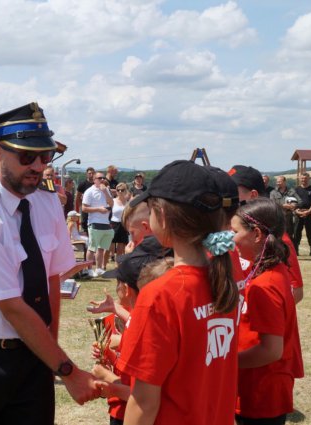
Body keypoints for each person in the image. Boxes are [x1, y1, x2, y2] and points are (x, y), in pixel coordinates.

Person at [0, 102, 101, 425]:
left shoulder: (46, 202)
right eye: (26, 157)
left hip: (34, 349)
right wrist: (67, 370)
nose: (38, 166)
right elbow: (11, 306)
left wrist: (50, 354)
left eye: (46, 156)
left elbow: (51, 280)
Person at [118, 160, 239, 425]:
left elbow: (144, 403)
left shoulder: (161, 294)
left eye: (149, 210)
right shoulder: (222, 281)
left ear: (161, 215)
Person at [231, 198, 304, 425]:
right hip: (258, 384)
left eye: (234, 232)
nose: (231, 239)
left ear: (256, 234)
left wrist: (227, 363)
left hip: (260, 390)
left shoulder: (265, 284)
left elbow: (271, 350)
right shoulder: (272, 269)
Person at [88, 257, 173, 425]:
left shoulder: (144, 329)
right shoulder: (151, 321)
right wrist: (110, 355)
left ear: (126, 288)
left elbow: (142, 394)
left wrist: (106, 378)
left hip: (132, 413)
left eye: (117, 282)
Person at [229, 164, 305, 303]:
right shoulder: (232, 230)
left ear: (252, 195)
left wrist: (257, 308)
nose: (226, 196)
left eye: (232, 191)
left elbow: (296, 291)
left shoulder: (276, 237)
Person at [82, 171, 115, 277]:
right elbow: (84, 208)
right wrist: (98, 209)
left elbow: (111, 203)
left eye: (103, 178)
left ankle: (99, 268)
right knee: (92, 248)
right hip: (94, 222)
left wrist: (105, 192)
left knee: (101, 248)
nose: (102, 180)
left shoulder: (106, 190)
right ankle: (89, 269)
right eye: (99, 178)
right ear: (94, 179)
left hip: (105, 222)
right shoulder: (89, 191)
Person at [292, 172, 311, 256]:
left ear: (309, 179)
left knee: (310, 233)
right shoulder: (296, 190)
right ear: (300, 179)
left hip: (309, 213)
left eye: (305, 178)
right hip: (298, 214)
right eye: (302, 178)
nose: (304, 180)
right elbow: (292, 202)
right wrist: (296, 211)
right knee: (296, 233)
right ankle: (295, 250)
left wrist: (309, 211)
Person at [109, 182, 131, 261]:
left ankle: (118, 263)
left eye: (122, 190)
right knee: (111, 243)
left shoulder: (128, 203)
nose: (120, 192)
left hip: (123, 224)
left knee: (121, 247)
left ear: (125, 191)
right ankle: (111, 257)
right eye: (118, 190)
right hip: (113, 224)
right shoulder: (112, 201)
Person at [75, 167, 95, 232]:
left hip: (95, 209)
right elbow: (77, 198)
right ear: (87, 174)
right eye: (90, 173)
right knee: (85, 228)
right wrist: (81, 206)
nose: (91, 175)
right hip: (86, 210)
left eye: (93, 173)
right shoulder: (82, 184)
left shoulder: (97, 184)